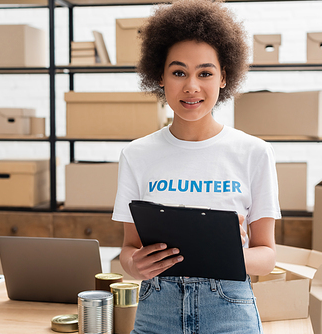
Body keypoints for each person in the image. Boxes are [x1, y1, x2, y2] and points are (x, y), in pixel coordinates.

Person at [112, 0, 281, 333]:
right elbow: (128, 251)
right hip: (155, 311)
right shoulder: (136, 154)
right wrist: (135, 264)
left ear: (223, 78)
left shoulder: (254, 153)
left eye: (205, 73)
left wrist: (221, 257)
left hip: (229, 311)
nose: (191, 86)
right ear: (160, 77)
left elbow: (267, 255)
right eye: (178, 72)